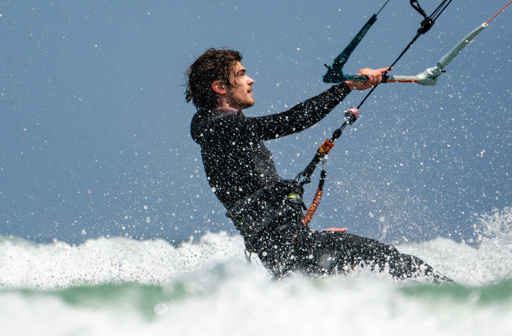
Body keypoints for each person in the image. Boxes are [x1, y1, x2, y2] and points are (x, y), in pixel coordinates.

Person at [186, 47, 446, 281]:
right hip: (290, 248)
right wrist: (345, 86)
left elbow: (258, 205)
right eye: (241, 74)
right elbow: (293, 120)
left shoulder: (219, 128)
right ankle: (453, 300)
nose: (251, 80)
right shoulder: (218, 125)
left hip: (287, 248)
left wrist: (306, 235)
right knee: (387, 258)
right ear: (220, 87)